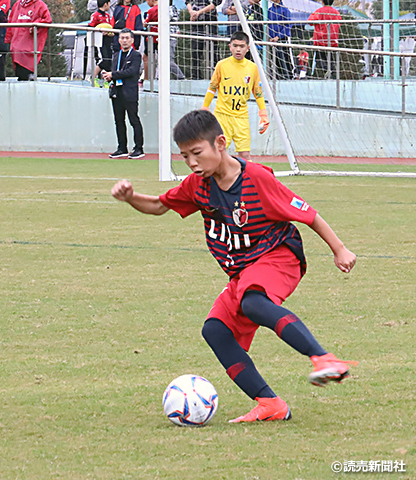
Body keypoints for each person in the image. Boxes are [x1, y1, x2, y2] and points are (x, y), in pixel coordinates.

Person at [111, 109, 358, 423]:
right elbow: (160, 205)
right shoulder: (196, 185)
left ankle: (324, 359)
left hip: (279, 255)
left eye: (197, 153)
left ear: (221, 144)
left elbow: (307, 213)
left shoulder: (257, 178)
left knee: (254, 301)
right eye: (185, 156)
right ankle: (270, 404)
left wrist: (339, 249)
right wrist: (131, 197)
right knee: (215, 330)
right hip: (242, 271)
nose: (191, 163)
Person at [202, 31, 269, 161]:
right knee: (218, 152)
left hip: (241, 117)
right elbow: (212, 88)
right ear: (230, 47)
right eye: (235, 45)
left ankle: (247, 180)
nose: (238, 49)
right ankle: (217, 180)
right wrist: (205, 107)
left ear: (248, 48)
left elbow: (258, 93)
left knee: (244, 154)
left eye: (242, 46)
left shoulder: (253, 68)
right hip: (222, 116)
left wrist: (263, 113)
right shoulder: (222, 65)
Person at [102, 28, 144, 159]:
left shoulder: (136, 55)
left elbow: (131, 72)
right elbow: (115, 72)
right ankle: (122, 148)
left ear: (132, 40)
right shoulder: (116, 55)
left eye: (127, 38)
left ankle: (139, 148)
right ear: (119, 40)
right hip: (117, 92)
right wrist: (109, 77)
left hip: (129, 92)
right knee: (119, 121)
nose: (124, 40)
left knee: (134, 120)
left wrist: (113, 74)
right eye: (122, 38)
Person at [5, 0, 51, 81]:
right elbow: (11, 21)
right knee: (19, 72)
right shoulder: (17, 4)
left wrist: (35, 25)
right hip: (16, 46)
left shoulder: (40, 5)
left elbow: (47, 19)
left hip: (30, 46)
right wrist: (8, 39)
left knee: (26, 71)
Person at [186, 0, 222, 80]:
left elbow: (214, 4)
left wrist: (199, 12)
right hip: (197, 22)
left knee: (213, 50)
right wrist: (191, 12)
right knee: (196, 50)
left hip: (210, 21)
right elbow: (188, 2)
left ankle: (218, 75)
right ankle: (195, 76)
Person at [308, 0, 340, 79]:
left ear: (322, 2)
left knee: (319, 59)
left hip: (320, 40)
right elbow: (339, 23)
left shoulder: (319, 11)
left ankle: (326, 70)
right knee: (331, 58)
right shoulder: (336, 12)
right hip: (332, 40)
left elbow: (310, 21)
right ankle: (332, 71)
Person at [88, 0, 114, 86]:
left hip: (108, 41)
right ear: (105, 4)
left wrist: (111, 33)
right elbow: (90, 27)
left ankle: (106, 80)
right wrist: (99, 31)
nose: (110, 5)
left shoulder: (107, 15)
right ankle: (93, 77)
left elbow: (110, 27)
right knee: (104, 60)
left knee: (109, 60)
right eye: (109, 3)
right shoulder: (95, 15)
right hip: (100, 42)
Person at [267, 0, 292, 80]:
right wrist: (270, 37)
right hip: (271, 41)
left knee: (284, 60)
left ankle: (288, 77)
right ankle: (278, 78)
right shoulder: (269, 10)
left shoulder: (285, 10)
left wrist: (278, 36)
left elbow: (288, 26)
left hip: (282, 40)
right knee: (275, 61)